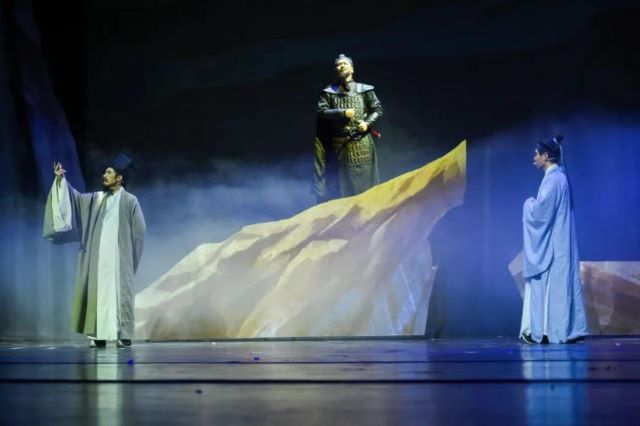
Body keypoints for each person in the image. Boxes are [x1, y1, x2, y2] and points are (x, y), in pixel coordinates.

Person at [43, 154, 146, 348]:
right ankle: (98, 333)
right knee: (96, 293)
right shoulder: (96, 200)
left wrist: (129, 260)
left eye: (109, 172)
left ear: (119, 178)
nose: (104, 176)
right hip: (97, 260)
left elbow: (139, 233)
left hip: (118, 260)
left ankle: (122, 333)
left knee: (120, 295)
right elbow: (75, 199)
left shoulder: (130, 201)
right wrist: (61, 180)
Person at [520, 136, 589, 344]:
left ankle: (547, 330)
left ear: (546, 156)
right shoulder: (558, 177)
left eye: (536, 154)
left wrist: (528, 205)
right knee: (556, 287)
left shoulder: (553, 180)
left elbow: (541, 213)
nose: (534, 158)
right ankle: (557, 328)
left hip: (554, 246)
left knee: (550, 286)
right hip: (558, 242)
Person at [313, 54, 383, 202]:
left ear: (352, 68)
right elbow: (321, 112)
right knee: (343, 190)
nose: (341, 66)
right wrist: (342, 112)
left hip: (362, 145)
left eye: (344, 63)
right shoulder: (328, 93)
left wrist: (367, 123)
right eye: (338, 65)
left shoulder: (364, 90)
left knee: (366, 189)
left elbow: (377, 109)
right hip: (340, 147)